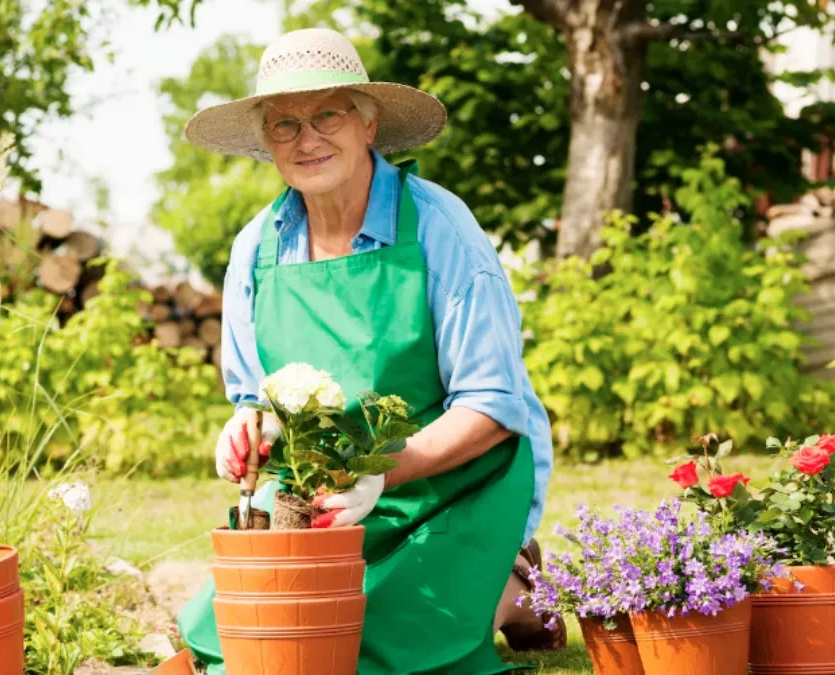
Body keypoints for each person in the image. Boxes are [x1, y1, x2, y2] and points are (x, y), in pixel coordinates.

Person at [175, 27, 564, 675]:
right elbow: (254, 398)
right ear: (266, 142)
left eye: (327, 114)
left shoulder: (440, 227)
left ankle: (521, 590)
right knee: (236, 637)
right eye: (284, 124)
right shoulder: (257, 248)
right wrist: (244, 429)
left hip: (450, 485)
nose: (307, 138)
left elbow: (495, 405)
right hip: (320, 503)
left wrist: (384, 472)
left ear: (368, 123)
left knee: (384, 648)